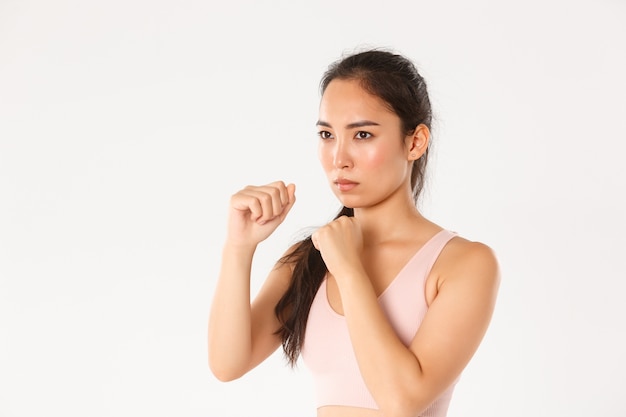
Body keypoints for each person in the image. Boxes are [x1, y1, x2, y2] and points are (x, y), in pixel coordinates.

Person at [208, 49, 500, 417]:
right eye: (327, 135)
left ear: (415, 142)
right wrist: (239, 248)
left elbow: (401, 401)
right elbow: (227, 364)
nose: (339, 158)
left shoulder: (463, 263)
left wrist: (349, 270)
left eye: (362, 134)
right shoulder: (310, 257)